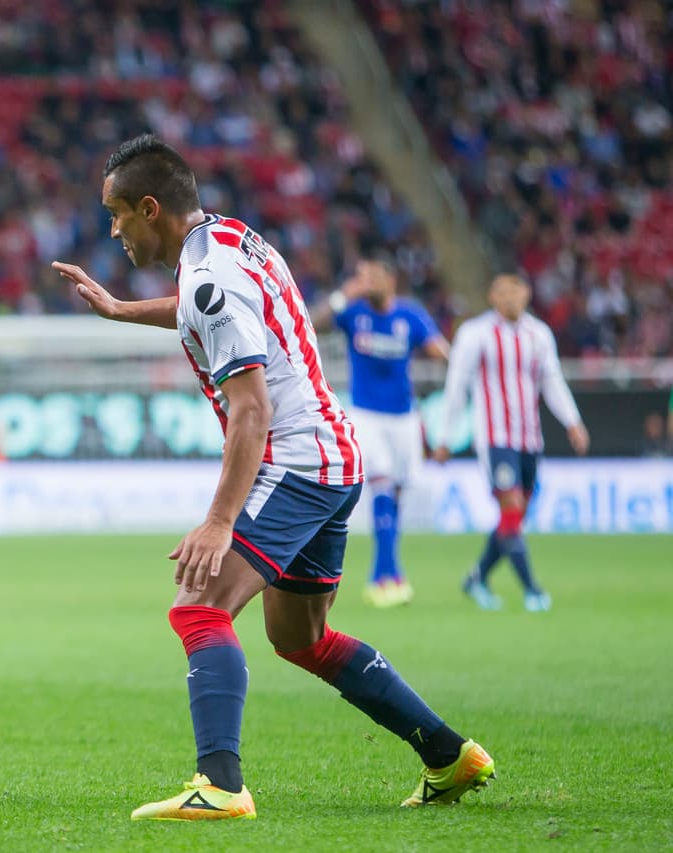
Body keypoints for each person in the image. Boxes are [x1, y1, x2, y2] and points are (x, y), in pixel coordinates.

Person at [53, 134, 494, 821]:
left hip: (297, 460)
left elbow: (251, 412)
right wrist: (119, 309)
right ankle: (449, 754)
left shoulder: (209, 278)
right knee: (301, 638)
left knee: (198, 605)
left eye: (116, 214)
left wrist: (220, 518)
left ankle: (221, 784)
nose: (112, 230)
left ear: (150, 207)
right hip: (335, 455)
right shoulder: (230, 241)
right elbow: (202, 309)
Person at [435, 274, 589, 612]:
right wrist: (444, 437)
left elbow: (552, 382)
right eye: (502, 292)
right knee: (511, 508)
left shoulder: (539, 334)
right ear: (492, 296)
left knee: (514, 519)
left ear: (527, 294)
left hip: (529, 438)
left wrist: (573, 422)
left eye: (515, 291)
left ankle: (476, 579)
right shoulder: (475, 333)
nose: (509, 298)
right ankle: (533, 590)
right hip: (495, 438)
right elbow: (456, 387)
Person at [309, 253, 449, 607]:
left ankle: (387, 574)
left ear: (391, 280)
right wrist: (345, 292)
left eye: (372, 276)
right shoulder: (353, 312)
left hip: (404, 417)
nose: (367, 283)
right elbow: (311, 322)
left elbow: (440, 352)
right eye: (362, 276)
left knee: (396, 496)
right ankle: (384, 576)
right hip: (367, 415)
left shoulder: (410, 315)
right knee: (382, 485)